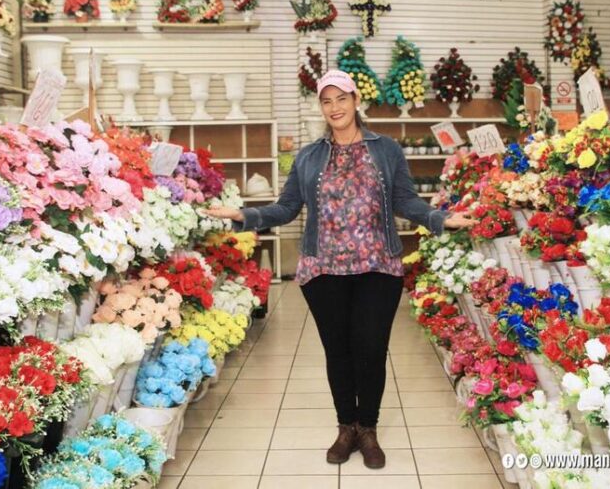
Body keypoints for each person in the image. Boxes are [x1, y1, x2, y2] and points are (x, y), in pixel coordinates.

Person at [204, 69, 476, 469]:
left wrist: (440, 218)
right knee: (338, 352)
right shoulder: (310, 155)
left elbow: (405, 200)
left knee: (370, 350)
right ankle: (345, 426)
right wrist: (242, 214)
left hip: (378, 266)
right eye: (326, 101)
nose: (335, 108)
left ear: (355, 100)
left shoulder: (385, 150)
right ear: (321, 107)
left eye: (341, 99)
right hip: (324, 269)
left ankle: (368, 428)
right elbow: (286, 208)